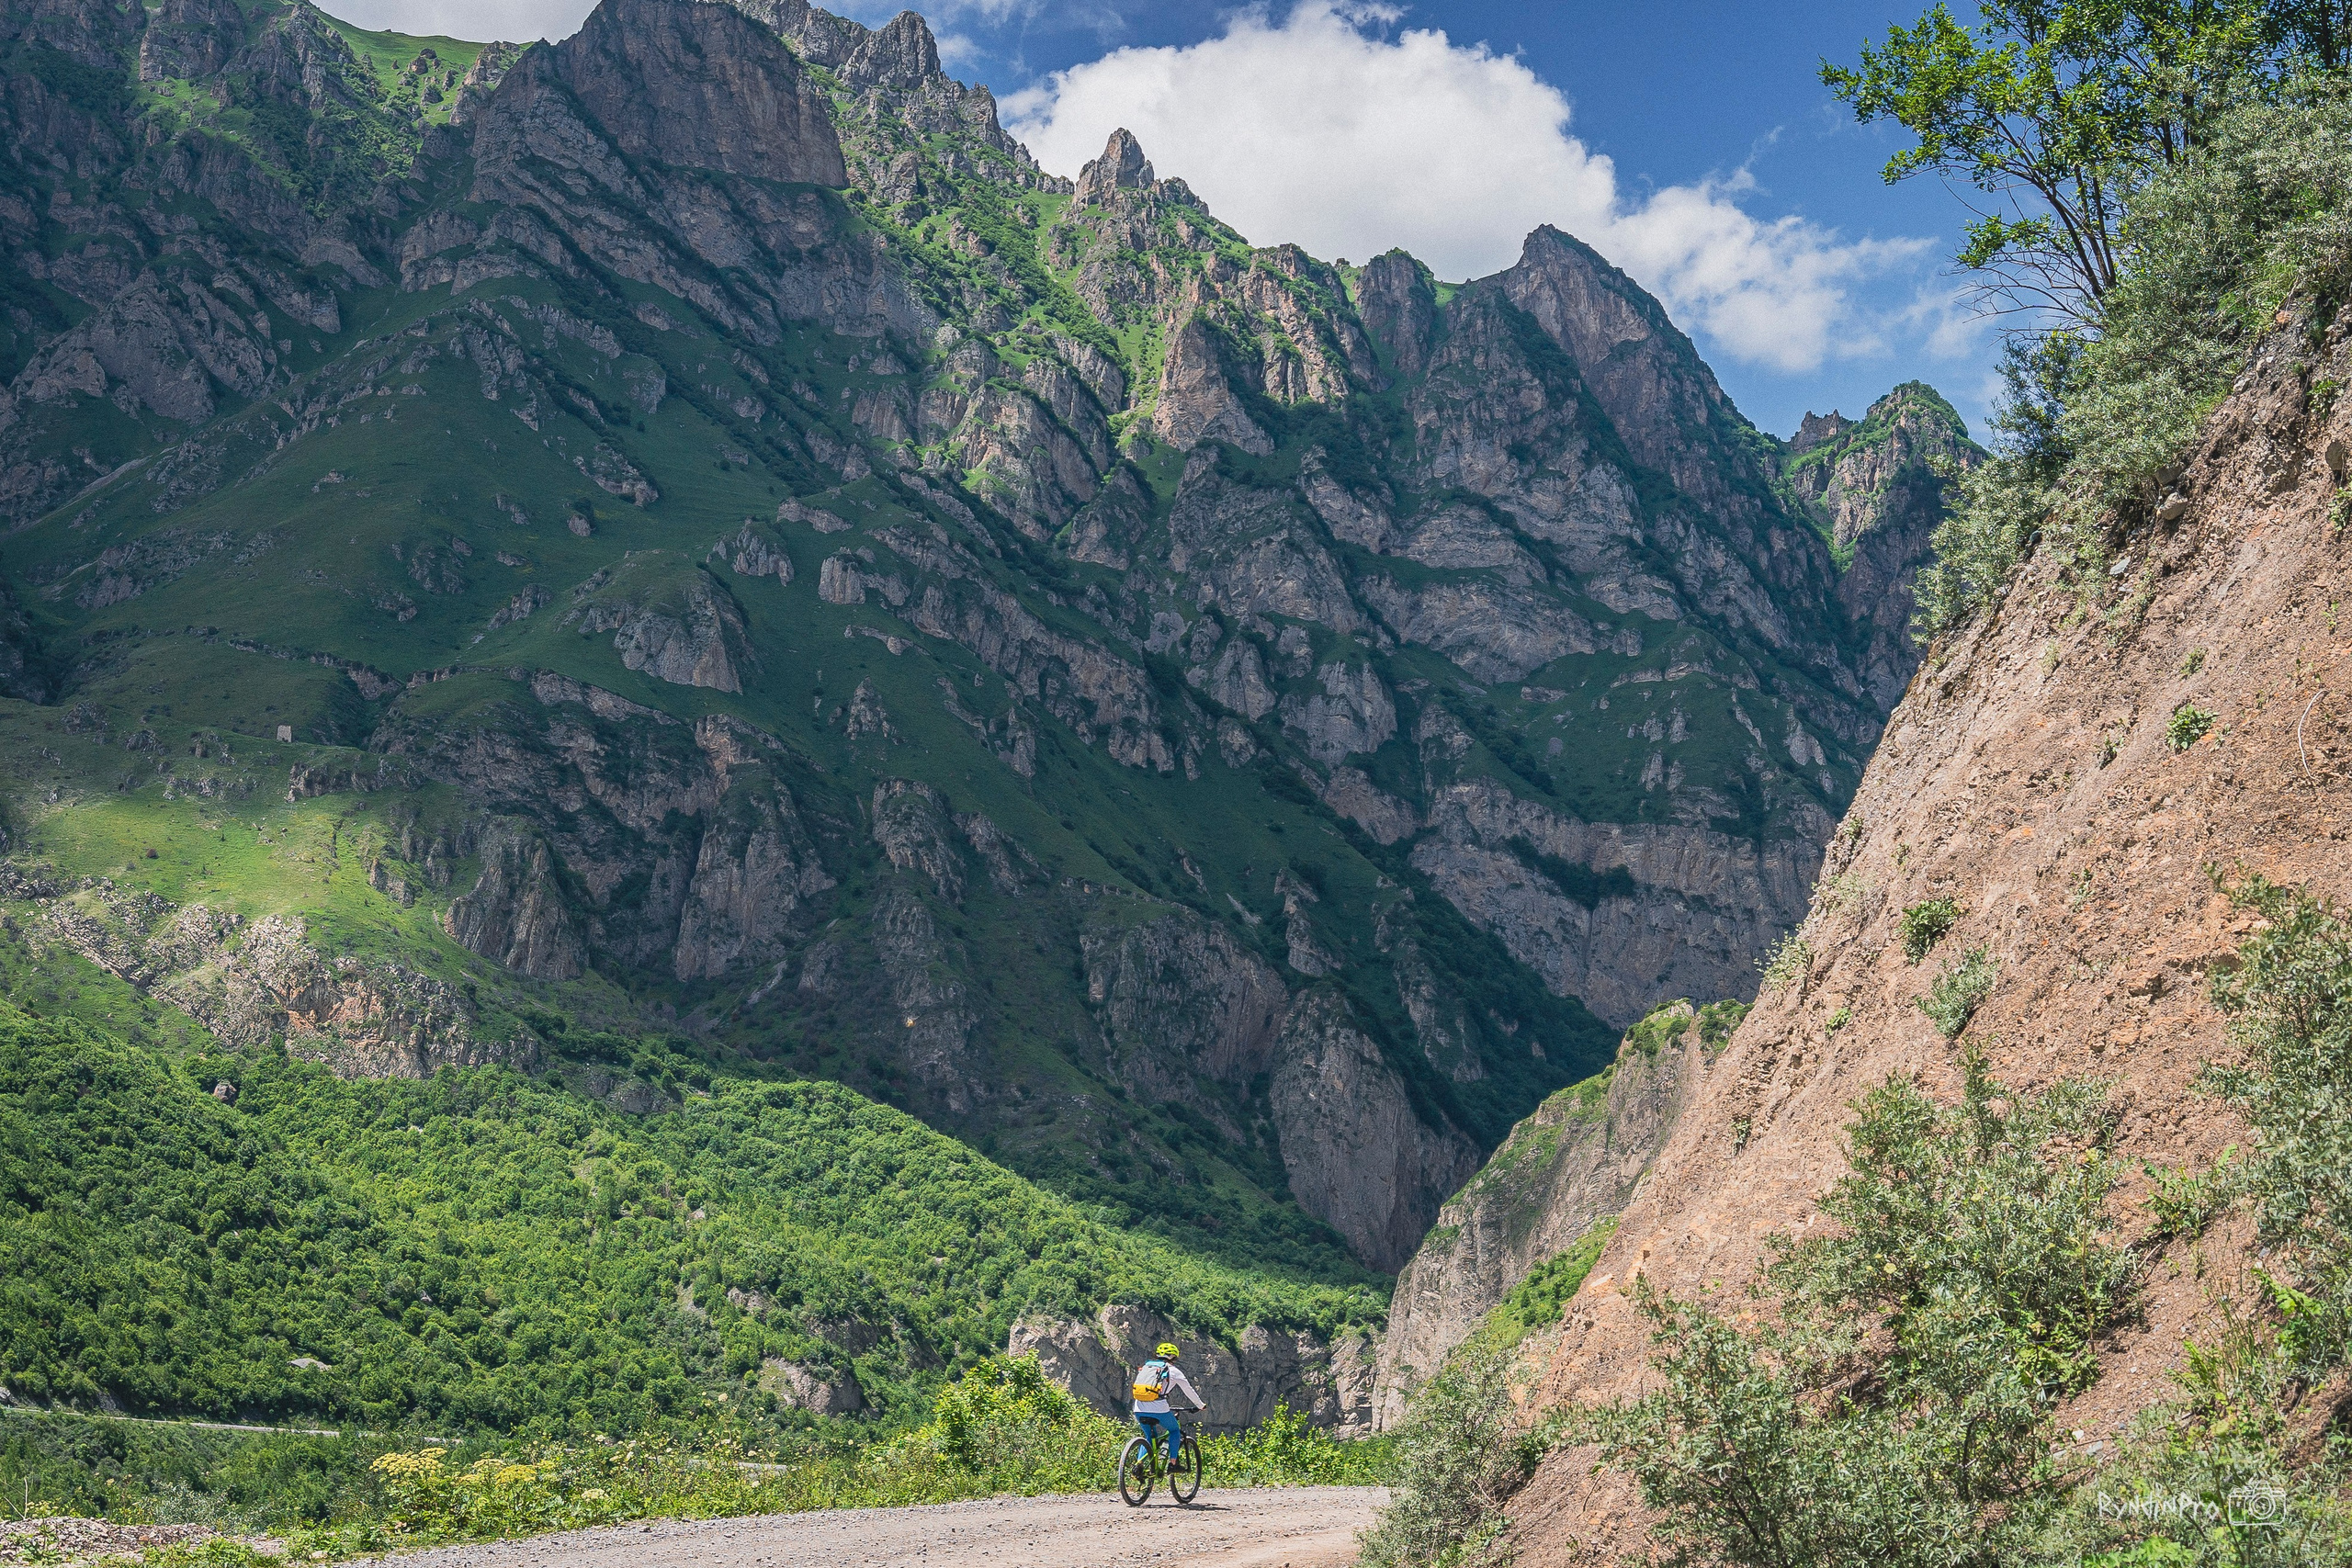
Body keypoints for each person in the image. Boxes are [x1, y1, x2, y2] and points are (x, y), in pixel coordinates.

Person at [1130, 1341, 1203, 1470]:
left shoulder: (1147, 1367)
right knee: (1174, 1430)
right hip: (1159, 1408)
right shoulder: (1174, 1371)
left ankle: (1138, 1465)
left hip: (1139, 1407)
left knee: (1149, 1436)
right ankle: (1173, 1464)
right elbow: (1188, 1390)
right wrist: (1200, 1405)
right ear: (1174, 1357)